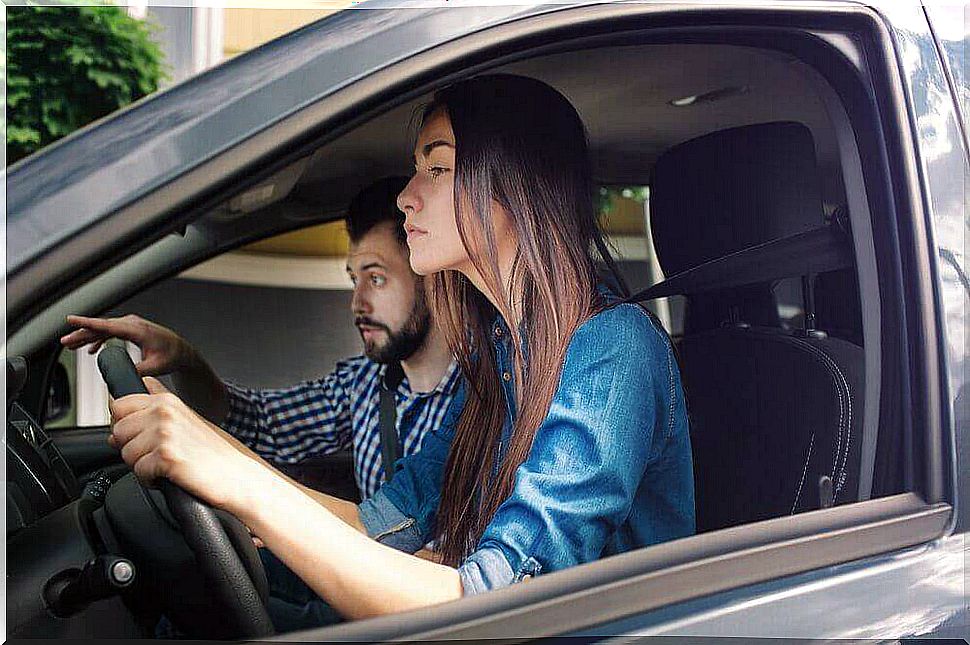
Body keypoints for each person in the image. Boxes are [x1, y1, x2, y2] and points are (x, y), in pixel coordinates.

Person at [103, 74, 695, 630]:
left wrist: (237, 479)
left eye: (436, 167)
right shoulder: (499, 359)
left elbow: (495, 607)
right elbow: (380, 523)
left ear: (514, 189)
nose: (408, 197)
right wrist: (201, 446)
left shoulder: (613, 348)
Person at [61, 177, 461, 501]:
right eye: (354, 281)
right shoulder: (364, 384)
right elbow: (257, 424)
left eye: (376, 279)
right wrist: (185, 359)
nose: (357, 303)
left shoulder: (486, 396)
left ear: (433, 280)